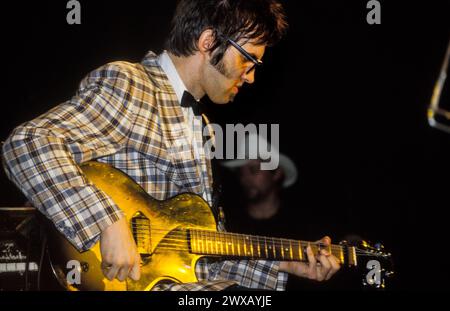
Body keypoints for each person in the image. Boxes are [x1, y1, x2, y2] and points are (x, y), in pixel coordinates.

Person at [1, 0, 340, 290]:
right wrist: (106, 222)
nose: (251, 76)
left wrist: (284, 266)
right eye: (247, 59)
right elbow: (27, 144)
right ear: (208, 41)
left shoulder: (201, 125)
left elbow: (199, 261)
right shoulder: (131, 84)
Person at [222, 132, 300, 237]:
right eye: (241, 172)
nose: (245, 178)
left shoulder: (299, 222)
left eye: (253, 169)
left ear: (276, 173)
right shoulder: (227, 222)